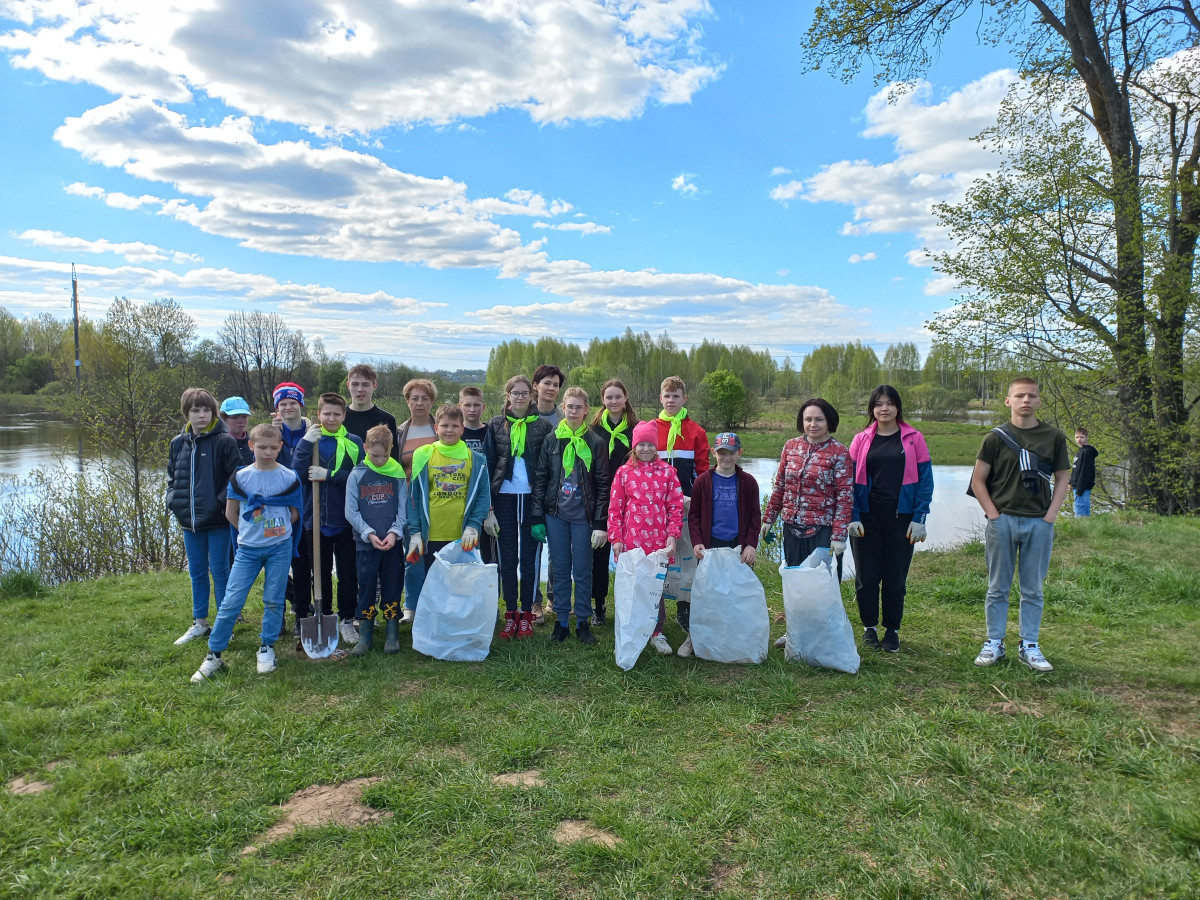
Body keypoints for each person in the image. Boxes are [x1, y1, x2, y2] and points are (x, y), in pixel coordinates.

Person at [971, 377, 1070, 673]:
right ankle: (994, 642)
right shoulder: (995, 438)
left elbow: (1064, 478)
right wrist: (994, 515)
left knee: (1033, 589)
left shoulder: (1053, 436)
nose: (1026, 400)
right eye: (1020, 396)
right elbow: (978, 480)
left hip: (1039, 523)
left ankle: (1030, 645)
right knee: (997, 587)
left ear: (1039, 401)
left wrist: (1050, 517)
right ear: (1008, 401)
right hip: (1003, 521)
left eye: (1032, 396)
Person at [191, 424, 303, 682]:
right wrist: (250, 533)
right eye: (262, 447)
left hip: (279, 548)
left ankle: (267, 646)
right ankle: (214, 655)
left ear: (280, 447)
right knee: (231, 602)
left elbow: (295, 512)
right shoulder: (240, 478)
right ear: (251, 446)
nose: (268, 451)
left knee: (274, 599)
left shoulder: (289, 477)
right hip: (248, 550)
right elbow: (230, 513)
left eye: (274, 447)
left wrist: (278, 531)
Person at [846, 385, 934, 654]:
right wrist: (853, 515)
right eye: (878, 404)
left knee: (895, 577)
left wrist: (920, 516)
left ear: (897, 407)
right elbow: (847, 481)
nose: (884, 409)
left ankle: (892, 630)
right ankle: (869, 628)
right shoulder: (861, 439)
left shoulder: (913, 438)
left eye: (889, 403)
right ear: (872, 409)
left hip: (902, 519)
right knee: (866, 576)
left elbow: (925, 481)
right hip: (866, 520)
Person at [762, 398, 853, 650]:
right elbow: (780, 485)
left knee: (822, 585)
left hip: (823, 529)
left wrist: (839, 535)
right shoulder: (791, 447)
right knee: (796, 584)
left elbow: (845, 497)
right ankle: (795, 632)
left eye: (819, 419)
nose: (813, 424)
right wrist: (769, 517)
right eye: (808, 419)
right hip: (792, 526)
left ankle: (825, 637)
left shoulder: (839, 453)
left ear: (829, 422)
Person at [531, 387, 611, 645]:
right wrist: (537, 517)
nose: (574, 411)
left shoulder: (596, 443)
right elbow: (541, 479)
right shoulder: (552, 440)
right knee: (561, 568)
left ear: (586, 410)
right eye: (569, 406)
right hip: (556, 515)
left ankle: (583, 622)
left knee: (583, 569)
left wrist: (600, 523)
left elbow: (602, 484)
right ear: (562, 408)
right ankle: (562, 622)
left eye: (579, 407)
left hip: (584, 517)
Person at [168, 388, 242, 646]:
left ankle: (224, 625)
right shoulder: (178, 443)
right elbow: (172, 479)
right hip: (190, 521)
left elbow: (235, 479)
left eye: (206, 410)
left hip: (218, 521)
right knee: (197, 572)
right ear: (186, 413)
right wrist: (173, 502)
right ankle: (200, 623)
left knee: (220, 571)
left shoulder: (225, 442)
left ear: (213, 412)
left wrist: (219, 505)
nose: (201, 415)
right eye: (195, 410)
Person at [293, 392, 365, 645]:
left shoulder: (354, 442)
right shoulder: (311, 441)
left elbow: (362, 477)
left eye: (337, 414)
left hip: (345, 519)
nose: (331, 418)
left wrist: (330, 474)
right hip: (316, 521)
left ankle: (346, 619)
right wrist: (303, 445)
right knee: (319, 572)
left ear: (344, 416)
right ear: (318, 415)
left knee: (348, 573)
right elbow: (296, 475)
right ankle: (323, 615)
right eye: (327, 413)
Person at [608, 420, 685, 655]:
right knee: (634, 586)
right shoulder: (624, 473)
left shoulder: (668, 472)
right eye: (641, 444)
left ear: (656, 446)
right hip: (632, 542)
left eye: (650, 444)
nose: (646, 449)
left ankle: (656, 632)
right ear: (634, 447)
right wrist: (616, 538)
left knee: (655, 587)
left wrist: (673, 535)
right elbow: (615, 508)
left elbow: (675, 506)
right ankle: (633, 627)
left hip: (659, 543)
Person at [487, 375, 554, 640]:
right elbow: (489, 465)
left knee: (530, 558)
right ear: (507, 395)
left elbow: (548, 469)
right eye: (515, 393)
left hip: (530, 499)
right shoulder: (495, 424)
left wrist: (543, 507)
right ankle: (510, 613)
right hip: (503, 497)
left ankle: (526, 614)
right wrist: (488, 508)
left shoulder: (543, 426)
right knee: (507, 558)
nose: (520, 397)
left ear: (532, 395)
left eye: (525, 393)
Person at [686, 431, 761, 658]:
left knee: (735, 592)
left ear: (739, 453)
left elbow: (755, 517)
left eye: (731, 453)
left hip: (737, 546)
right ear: (713, 453)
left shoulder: (748, 482)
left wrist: (750, 545)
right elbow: (695, 516)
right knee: (707, 591)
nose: (726, 457)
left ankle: (735, 636)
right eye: (721, 453)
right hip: (710, 546)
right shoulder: (703, 481)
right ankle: (698, 636)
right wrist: (697, 542)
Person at [405, 404, 491, 587]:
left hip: (463, 536)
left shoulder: (476, 459)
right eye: (444, 426)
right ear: (436, 428)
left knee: (462, 585)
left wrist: (474, 526)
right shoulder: (423, 455)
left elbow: (484, 497)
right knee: (434, 584)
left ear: (462, 429)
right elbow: (414, 498)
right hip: (433, 535)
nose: (449, 430)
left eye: (454, 426)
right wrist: (415, 532)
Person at [653, 375, 710, 632]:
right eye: (667, 396)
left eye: (676, 396)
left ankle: (685, 608)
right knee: (660, 554)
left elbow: (703, 470)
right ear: (660, 399)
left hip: (686, 504)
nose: (671, 400)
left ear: (684, 399)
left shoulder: (696, 431)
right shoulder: (652, 428)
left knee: (687, 555)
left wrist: (697, 499)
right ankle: (656, 606)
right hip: (656, 505)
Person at [345, 424, 408, 656]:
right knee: (367, 586)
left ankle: (392, 634)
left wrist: (394, 532)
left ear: (391, 450)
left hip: (392, 545)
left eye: (385, 455)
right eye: (374, 455)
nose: (380, 460)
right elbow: (351, 511)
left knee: (392, 585)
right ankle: (366, 635)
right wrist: (368, 534)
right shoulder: (356, 475)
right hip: (366, 545)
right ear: (365, 448)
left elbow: (403, 509)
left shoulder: (397, 474)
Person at [587, 378, 637, 626]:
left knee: (630, 554)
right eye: (609, 397)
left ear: (625, 397)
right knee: (598, 555)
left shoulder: (637, 429)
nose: (614, 401)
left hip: (633, 503)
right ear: (603, 400)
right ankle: (599, 605)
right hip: (601, 500)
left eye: (618, 396)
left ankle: (630, 605)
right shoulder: (593, 431)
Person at [395, 378, 437, 622]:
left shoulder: (439, 429)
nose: (419, 403)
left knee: (436, 556)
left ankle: (436, 603)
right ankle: (411, 605)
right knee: (413, 555)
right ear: (407, 402)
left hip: (439, 503)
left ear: (432, 402)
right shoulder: (399, 433)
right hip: (410, 503)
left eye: (425, 398)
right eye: (414, 398)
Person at [530, 364, 565, 623]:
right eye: (547, 383)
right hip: (527, 489)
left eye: (556, 384)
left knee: (558, 548)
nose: (551, 388)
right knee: (533, 548)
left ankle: (555, 597)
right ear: (536, 386)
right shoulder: (524, 414)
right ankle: (535, 601)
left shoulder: (564, 418)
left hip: (556, 492)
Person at [459, 386, 499, 565]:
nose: (472, 409)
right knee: (465, 555)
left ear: (484, 407)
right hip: (462, 502)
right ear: (460, 406)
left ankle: (492, 592)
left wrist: (491, 508)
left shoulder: (492, 432)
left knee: (490, 558)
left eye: (476, 405)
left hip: (489, 503)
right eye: (467, 405)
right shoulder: (454, 433)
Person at [344, 364, 400, 462]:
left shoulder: (387, 420)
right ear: (348, 385)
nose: (360, 389)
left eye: (365, 384)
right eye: (355, 384)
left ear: (374, 385)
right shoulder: (338, 418)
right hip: (341, 477)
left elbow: (393, 459)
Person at [270, 382, 310, 468]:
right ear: (277, 408)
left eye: (293, 403)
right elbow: (260, 463)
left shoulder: (313, 432)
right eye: (283, 404)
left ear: (301, 405)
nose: (288, 407)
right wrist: (273, 434)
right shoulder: (269, 433)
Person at [1070, 428, 1099, 517]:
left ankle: (1079, 530)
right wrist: (1070, 482)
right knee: (1081, 509)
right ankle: (1085, 528)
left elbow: (1085, 472)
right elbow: (1076, 469)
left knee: (1080, 510)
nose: (1079, 439)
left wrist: (1080, 489)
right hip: (1077, 486)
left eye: (1082, 437)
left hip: (1082, 488)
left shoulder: (1087, 452)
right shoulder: (1081, 450)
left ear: (1087, 438)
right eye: (1077, 437)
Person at [219, 396, 255, 467]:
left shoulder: (255, 442)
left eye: (244, 417)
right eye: (235, 417)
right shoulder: (218, 444)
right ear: (224, 419)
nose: (240, 421)